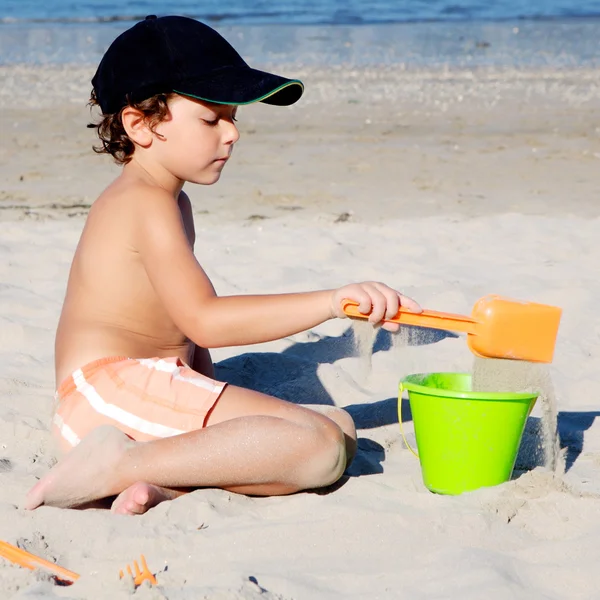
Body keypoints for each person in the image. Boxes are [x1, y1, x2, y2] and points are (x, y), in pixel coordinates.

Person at [25, 15, 421, 515]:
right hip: (107, 398)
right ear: (140, 124)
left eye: (233, 117)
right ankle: (117, 465)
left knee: (337, 429)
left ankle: (161, 483)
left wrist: (209, 390)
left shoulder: (170, 201)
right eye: (211, 119)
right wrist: (330, 303)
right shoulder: (143, 203)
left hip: (142, 387)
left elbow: (185, 336)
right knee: (318, 448)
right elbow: (204, 318)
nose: (232, 133)